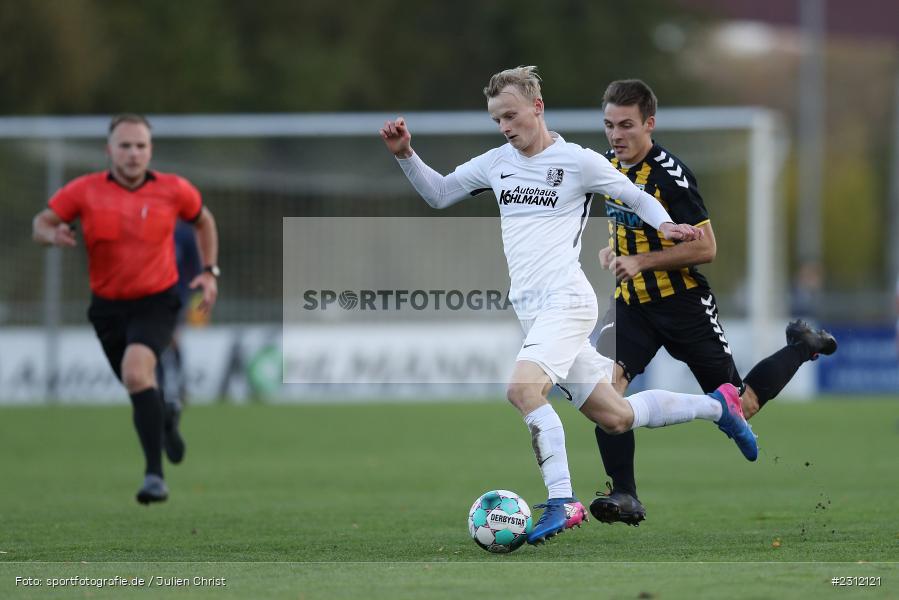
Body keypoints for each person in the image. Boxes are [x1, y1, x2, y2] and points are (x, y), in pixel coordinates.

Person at [380, 66, 758, 546]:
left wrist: (666, 228)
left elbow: (635, 196)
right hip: (533, 311)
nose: (505, 127)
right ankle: (717, 407)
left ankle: (563, 499)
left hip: (567, 300)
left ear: (537, 108)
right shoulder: (496, 162)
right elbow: (438, 194)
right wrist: (406, 155)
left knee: (522, 391)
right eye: (498, 119)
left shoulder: (577, 161)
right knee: (615, 415)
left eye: (512, 116)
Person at [590, 79, 837, 526]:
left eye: (626, 125)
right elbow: (624, 227)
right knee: (605, 395)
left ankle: (802, 344)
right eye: (609, 125)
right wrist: (612, 252)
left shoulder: (671, 175)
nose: (616, 136)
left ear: (649, 124)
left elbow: (706, 248)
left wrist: (641, 260)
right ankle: (625, 494)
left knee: (740, 406)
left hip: (683, 306)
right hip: (631, 307)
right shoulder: (607, 167)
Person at [32, 113, 221, 505]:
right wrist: (52, 234)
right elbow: (41, 222)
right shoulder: (84, 191)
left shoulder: (174, 189)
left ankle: (154, 476)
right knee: (140, 388)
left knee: (136, 374)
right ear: (109, 150)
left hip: (158, 300)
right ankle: (166, 417)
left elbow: (204, 222)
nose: (133, 153)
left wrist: (208, 271)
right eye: (125, 145)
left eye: (140, 146)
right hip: (107, 308)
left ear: (150, 150)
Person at [156, 219, 206, 464]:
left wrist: (192, 295)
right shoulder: (151, 226)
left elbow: (194, 267)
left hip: (177, 295)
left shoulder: (184, 234)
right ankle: (165, 390)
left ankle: (176, 387)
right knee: (161, 344)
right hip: (150, 294)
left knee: (171, 340)